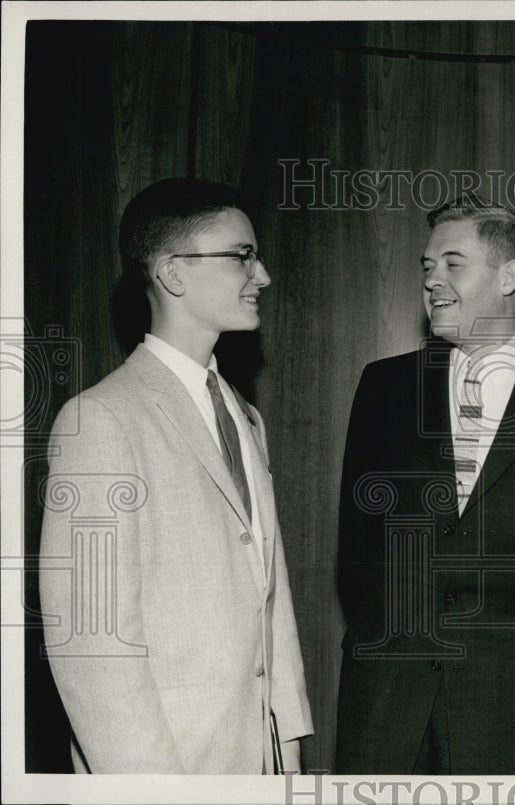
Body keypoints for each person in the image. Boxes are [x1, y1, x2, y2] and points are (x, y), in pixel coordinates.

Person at [335, 193, 515, 774]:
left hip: (514, 714)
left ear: (509, 275)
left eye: (452, 263)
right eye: (426, 266)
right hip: (386, 708)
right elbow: (357, 551)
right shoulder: (384, 388)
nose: (432, 280)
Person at [39, 178, 313, 773]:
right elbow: (92, 644)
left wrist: (288, 749)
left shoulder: (245, 416)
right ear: (173, 273)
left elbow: (271, 596)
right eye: (243, 256)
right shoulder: (100, 419)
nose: (261, 275)